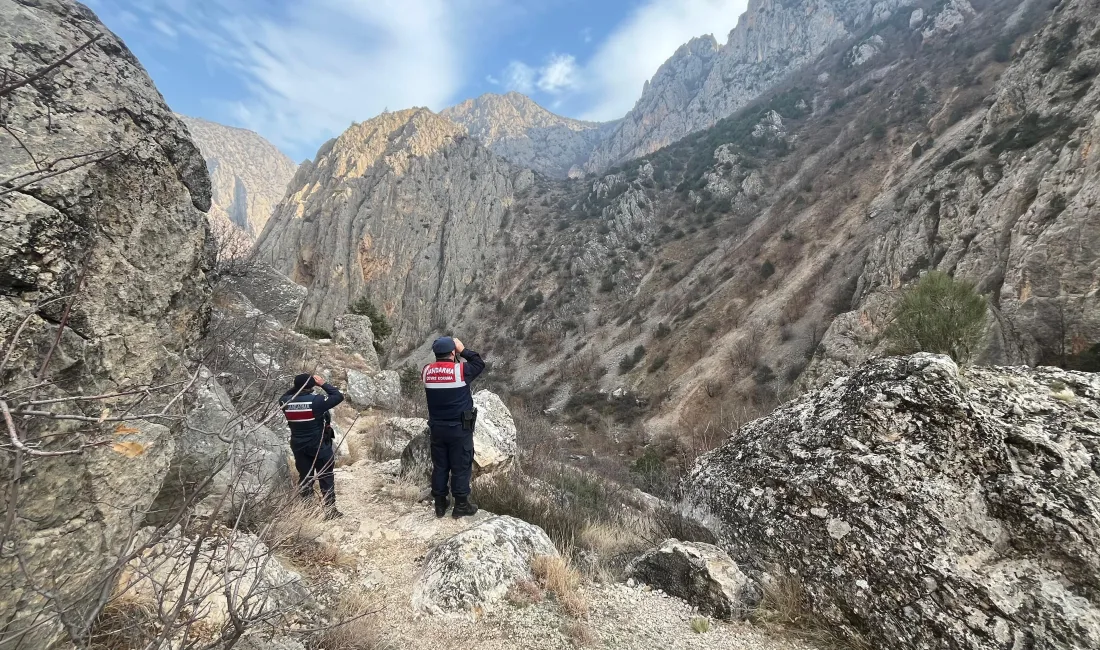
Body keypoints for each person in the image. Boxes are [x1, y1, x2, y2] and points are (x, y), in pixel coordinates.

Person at [422, 336, 485, 518]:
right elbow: (479, 363)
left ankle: (440, 504)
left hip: (437, 428)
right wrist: (463, 350)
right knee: (461, 466)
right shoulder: (461, 370)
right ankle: (461, 505)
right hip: (459, 428)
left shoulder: (426, 371)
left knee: (440, 466)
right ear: (452, 353)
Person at [280, 373, 345, 520]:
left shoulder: (284, 402)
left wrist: (299, 386)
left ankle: (308, 511)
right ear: (311, 386)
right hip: (319, 445)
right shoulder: (317, 401)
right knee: (326, 476)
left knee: (305, 477)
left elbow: (287, 394)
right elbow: (337, 396)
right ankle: (330, 511)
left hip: (298, 446)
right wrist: (322, 383)